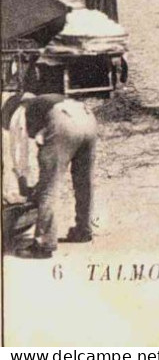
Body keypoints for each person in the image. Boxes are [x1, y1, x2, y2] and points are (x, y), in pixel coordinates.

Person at [5, 82, 97, 259]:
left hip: (62, 123)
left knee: (50, 187)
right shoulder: (44, 101)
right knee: (84, 182)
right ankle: (83, 230)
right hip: (87, 118)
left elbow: (19, 156)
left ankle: (44, 244)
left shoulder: (18, 112)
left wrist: (25, 188)